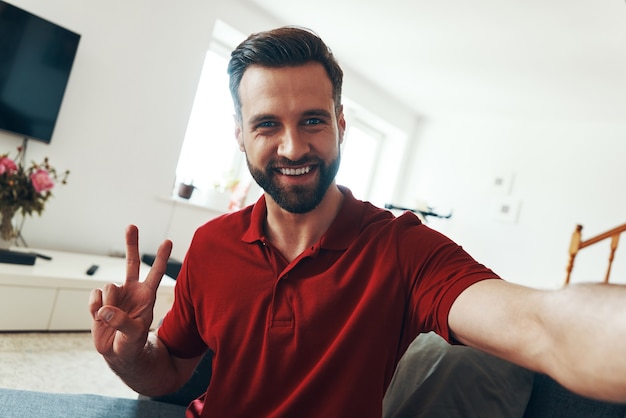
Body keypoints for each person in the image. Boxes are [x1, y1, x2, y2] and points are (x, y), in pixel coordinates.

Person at [90, 26, 626, 417]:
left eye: (313, 121)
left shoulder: (401, 248)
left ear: (341, 125)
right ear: (240, 135)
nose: (294, 146)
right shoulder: (211, 245)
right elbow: (169, 374)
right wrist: (132, 351)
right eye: (268, 124)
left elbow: (541, 324)